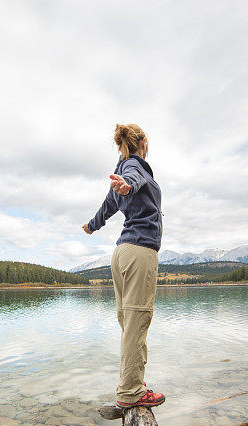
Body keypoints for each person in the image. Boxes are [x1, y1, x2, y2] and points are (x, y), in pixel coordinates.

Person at [82, 123, 165, 408]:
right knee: (136, 323)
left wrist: (92, 226)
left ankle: (134, 383)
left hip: (121, 253)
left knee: (129, 324)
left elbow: (108, 205)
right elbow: (133, 178)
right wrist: (129, 185)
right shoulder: (133, 167)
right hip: (139, 252)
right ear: (142, 142)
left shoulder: (121, 171)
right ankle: (131, 392)